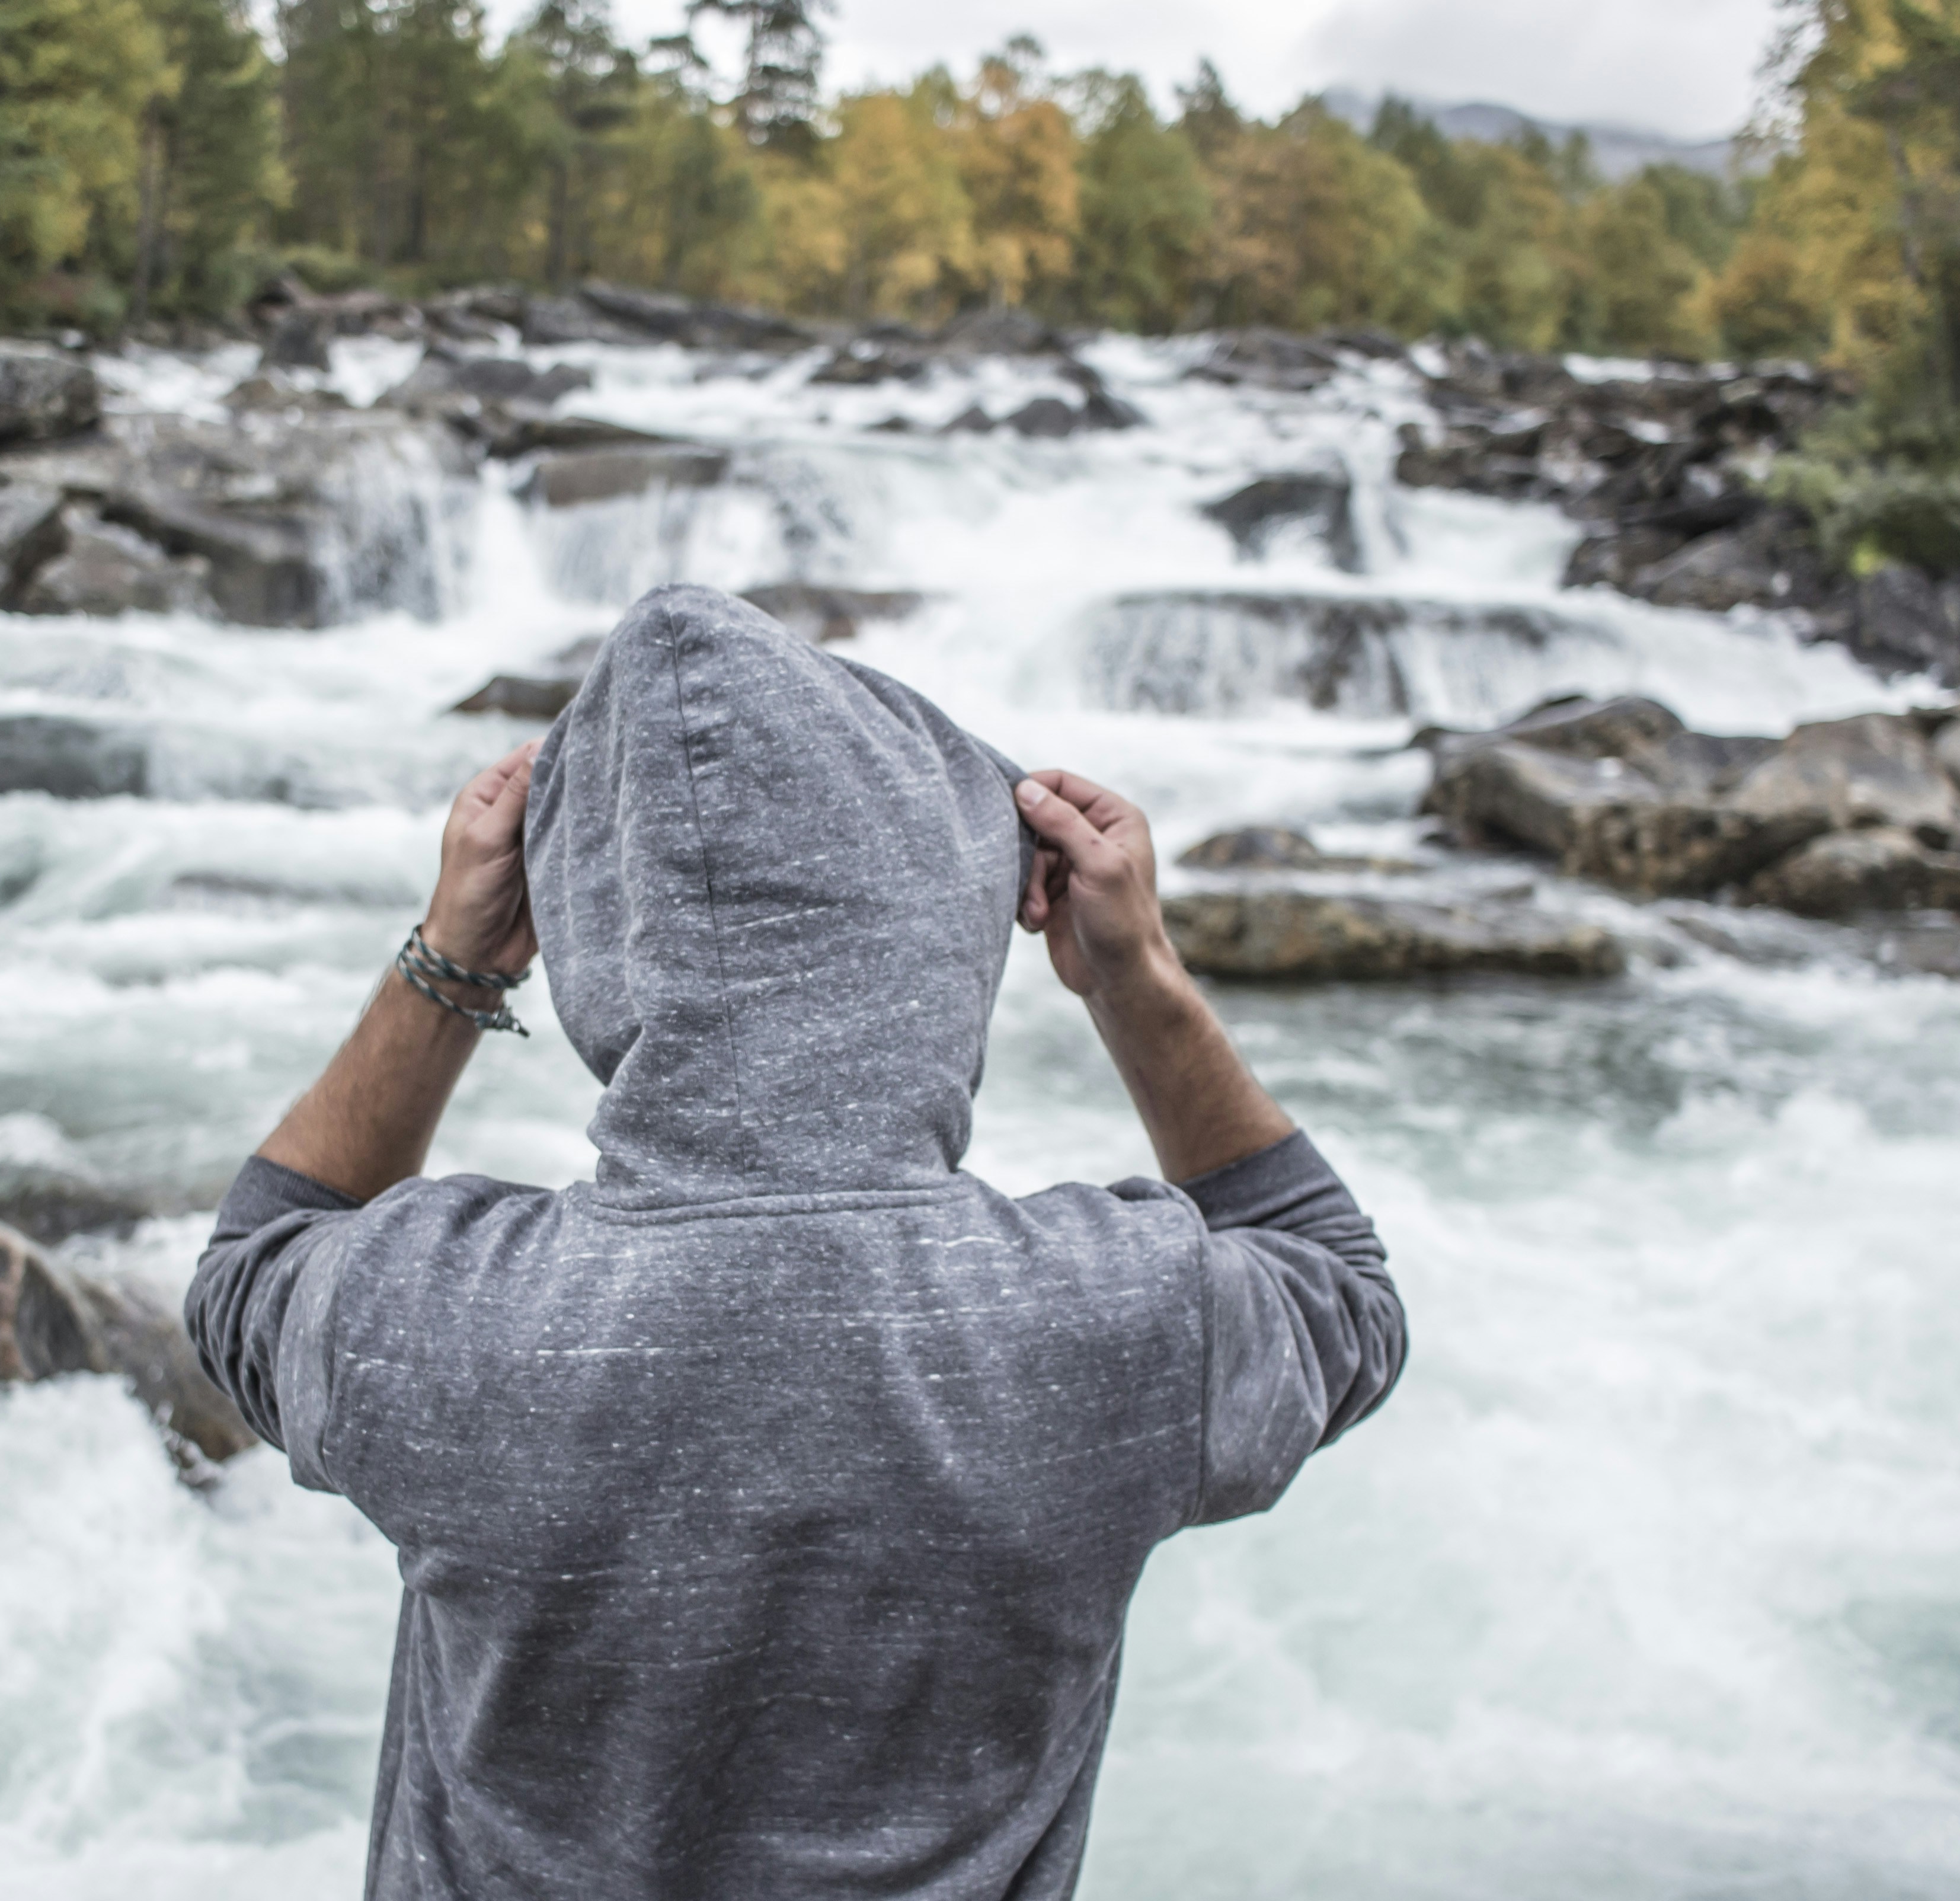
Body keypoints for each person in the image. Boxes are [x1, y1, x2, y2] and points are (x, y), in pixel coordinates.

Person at [186, 584, 1406, 1900]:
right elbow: (1335, 1279)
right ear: (944, 929)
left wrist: (455, 954)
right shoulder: (1116, 1316)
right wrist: (1136, 974)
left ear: (591, 925)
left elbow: (256, 1261)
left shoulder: (433, 1316)